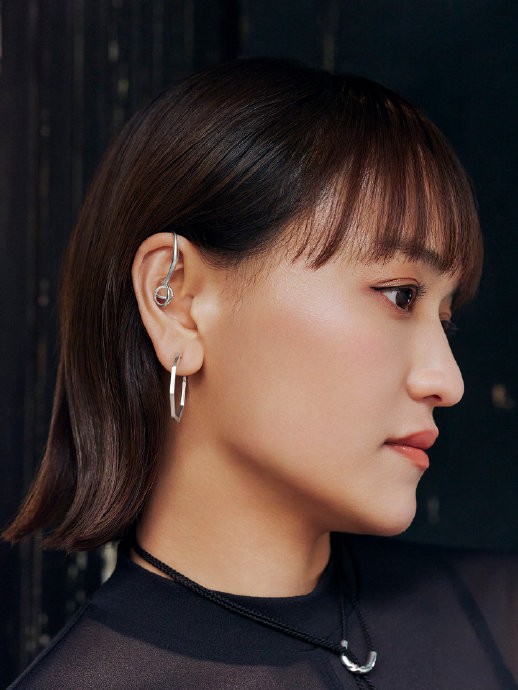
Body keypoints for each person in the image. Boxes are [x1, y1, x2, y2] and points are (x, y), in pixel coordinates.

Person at [3, 58, 517, 690]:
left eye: (445, 318)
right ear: (178, 303)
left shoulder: (499, 617)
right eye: (399, 295)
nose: (448, 381)